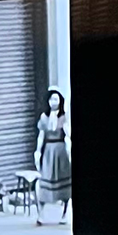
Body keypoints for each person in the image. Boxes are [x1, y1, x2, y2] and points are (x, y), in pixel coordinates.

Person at [34, 86, 71, 224]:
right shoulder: (44, 117)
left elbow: (68, 134)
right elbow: (41, 136)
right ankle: (41, 215)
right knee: (45, 179)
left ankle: (65, 213)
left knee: (64, 181)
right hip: (49, 151)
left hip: (61, 151)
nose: (53, 102)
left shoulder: (64, 117)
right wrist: (37, 152)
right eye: (51, 99)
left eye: (56, 99)